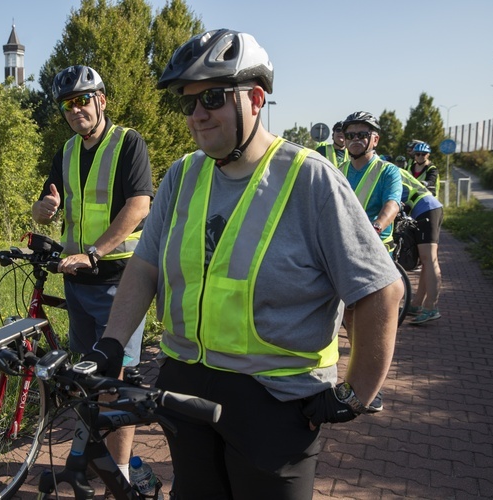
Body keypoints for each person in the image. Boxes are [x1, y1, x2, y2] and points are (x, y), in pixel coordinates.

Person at [82, 29, 402, 499]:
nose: (197, 115)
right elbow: (145, 266)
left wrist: (356, 395)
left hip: (276, 402)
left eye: (211, 97)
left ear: (254, 98)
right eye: (187, 103)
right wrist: (112, 343)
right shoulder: (183, 175)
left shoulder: (309, 178)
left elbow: (380, 291)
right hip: (186, 385)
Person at [31, 64, 153, 481]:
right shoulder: (66, 151)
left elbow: (139, 206)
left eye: (82, 100)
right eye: (66, 104)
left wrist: (94, 253)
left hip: (120, 280)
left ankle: (118, 474)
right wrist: (42, 210)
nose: (74, 110)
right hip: (77, 282)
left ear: (101, 100)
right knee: (86, 375)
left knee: (114, 380)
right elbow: (46, 203)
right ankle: (90, 458)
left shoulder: (128, 143)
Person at [339, 112, 403, 253]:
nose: (355, 139)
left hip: (376, 248)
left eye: (362, 135)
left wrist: (376, 228)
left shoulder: (387, 171)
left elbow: (392, 204)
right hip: (345, 246)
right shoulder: (339, 171)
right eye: (350, 135)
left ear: (375, 140)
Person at [399, 169, 443, 324]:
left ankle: (431, 307)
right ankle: (417, 304)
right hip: (426, 207)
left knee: (429, 258)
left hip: (426, 207)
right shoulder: (388, 168)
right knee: (426, 260)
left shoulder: (383, 171)